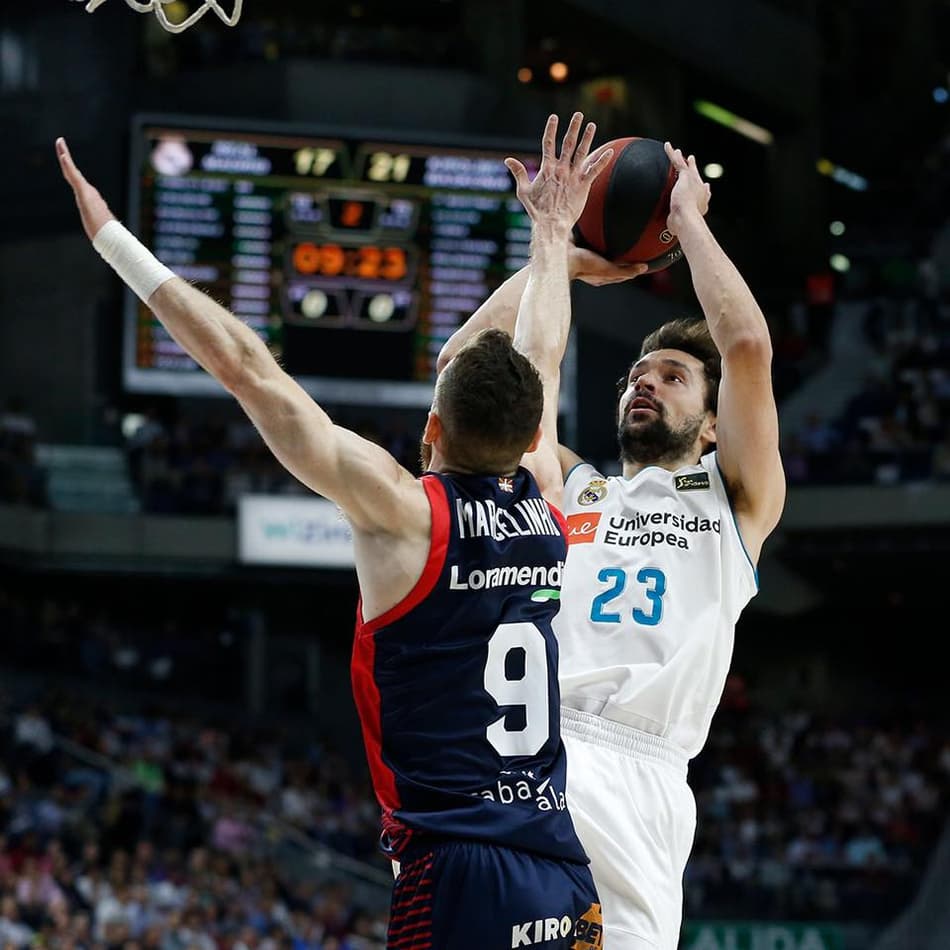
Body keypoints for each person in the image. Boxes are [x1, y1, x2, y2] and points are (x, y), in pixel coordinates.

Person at [56, 112, 612, 949]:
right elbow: (543, 346)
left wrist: (113, 241)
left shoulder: (406, 515)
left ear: (432, 427)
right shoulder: (545, 495)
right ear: (536, 426)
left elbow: (251, 373)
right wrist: (553, 231)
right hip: (562, 866)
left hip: (457, 869)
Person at [438, 142, 786, 948]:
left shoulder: (735, 502)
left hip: (644, 774)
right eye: (637, 371)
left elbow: (748, 351)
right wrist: (553, 259)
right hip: (530, 748)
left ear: (711, 425)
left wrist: (686, 223)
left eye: (670, 375)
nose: (644, 381)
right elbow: (468, 375)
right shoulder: (573, 489)